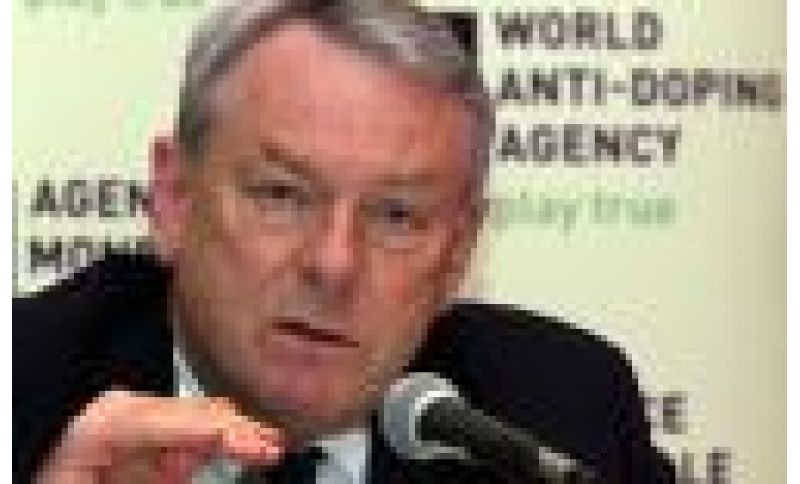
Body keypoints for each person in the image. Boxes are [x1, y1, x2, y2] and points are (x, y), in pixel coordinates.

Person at [13, 1, 675, 482]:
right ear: (174, 197)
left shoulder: (558, 414)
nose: (334, 263)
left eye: (397, 216)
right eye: (282, 195)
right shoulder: (25, 393)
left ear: (457, 254)